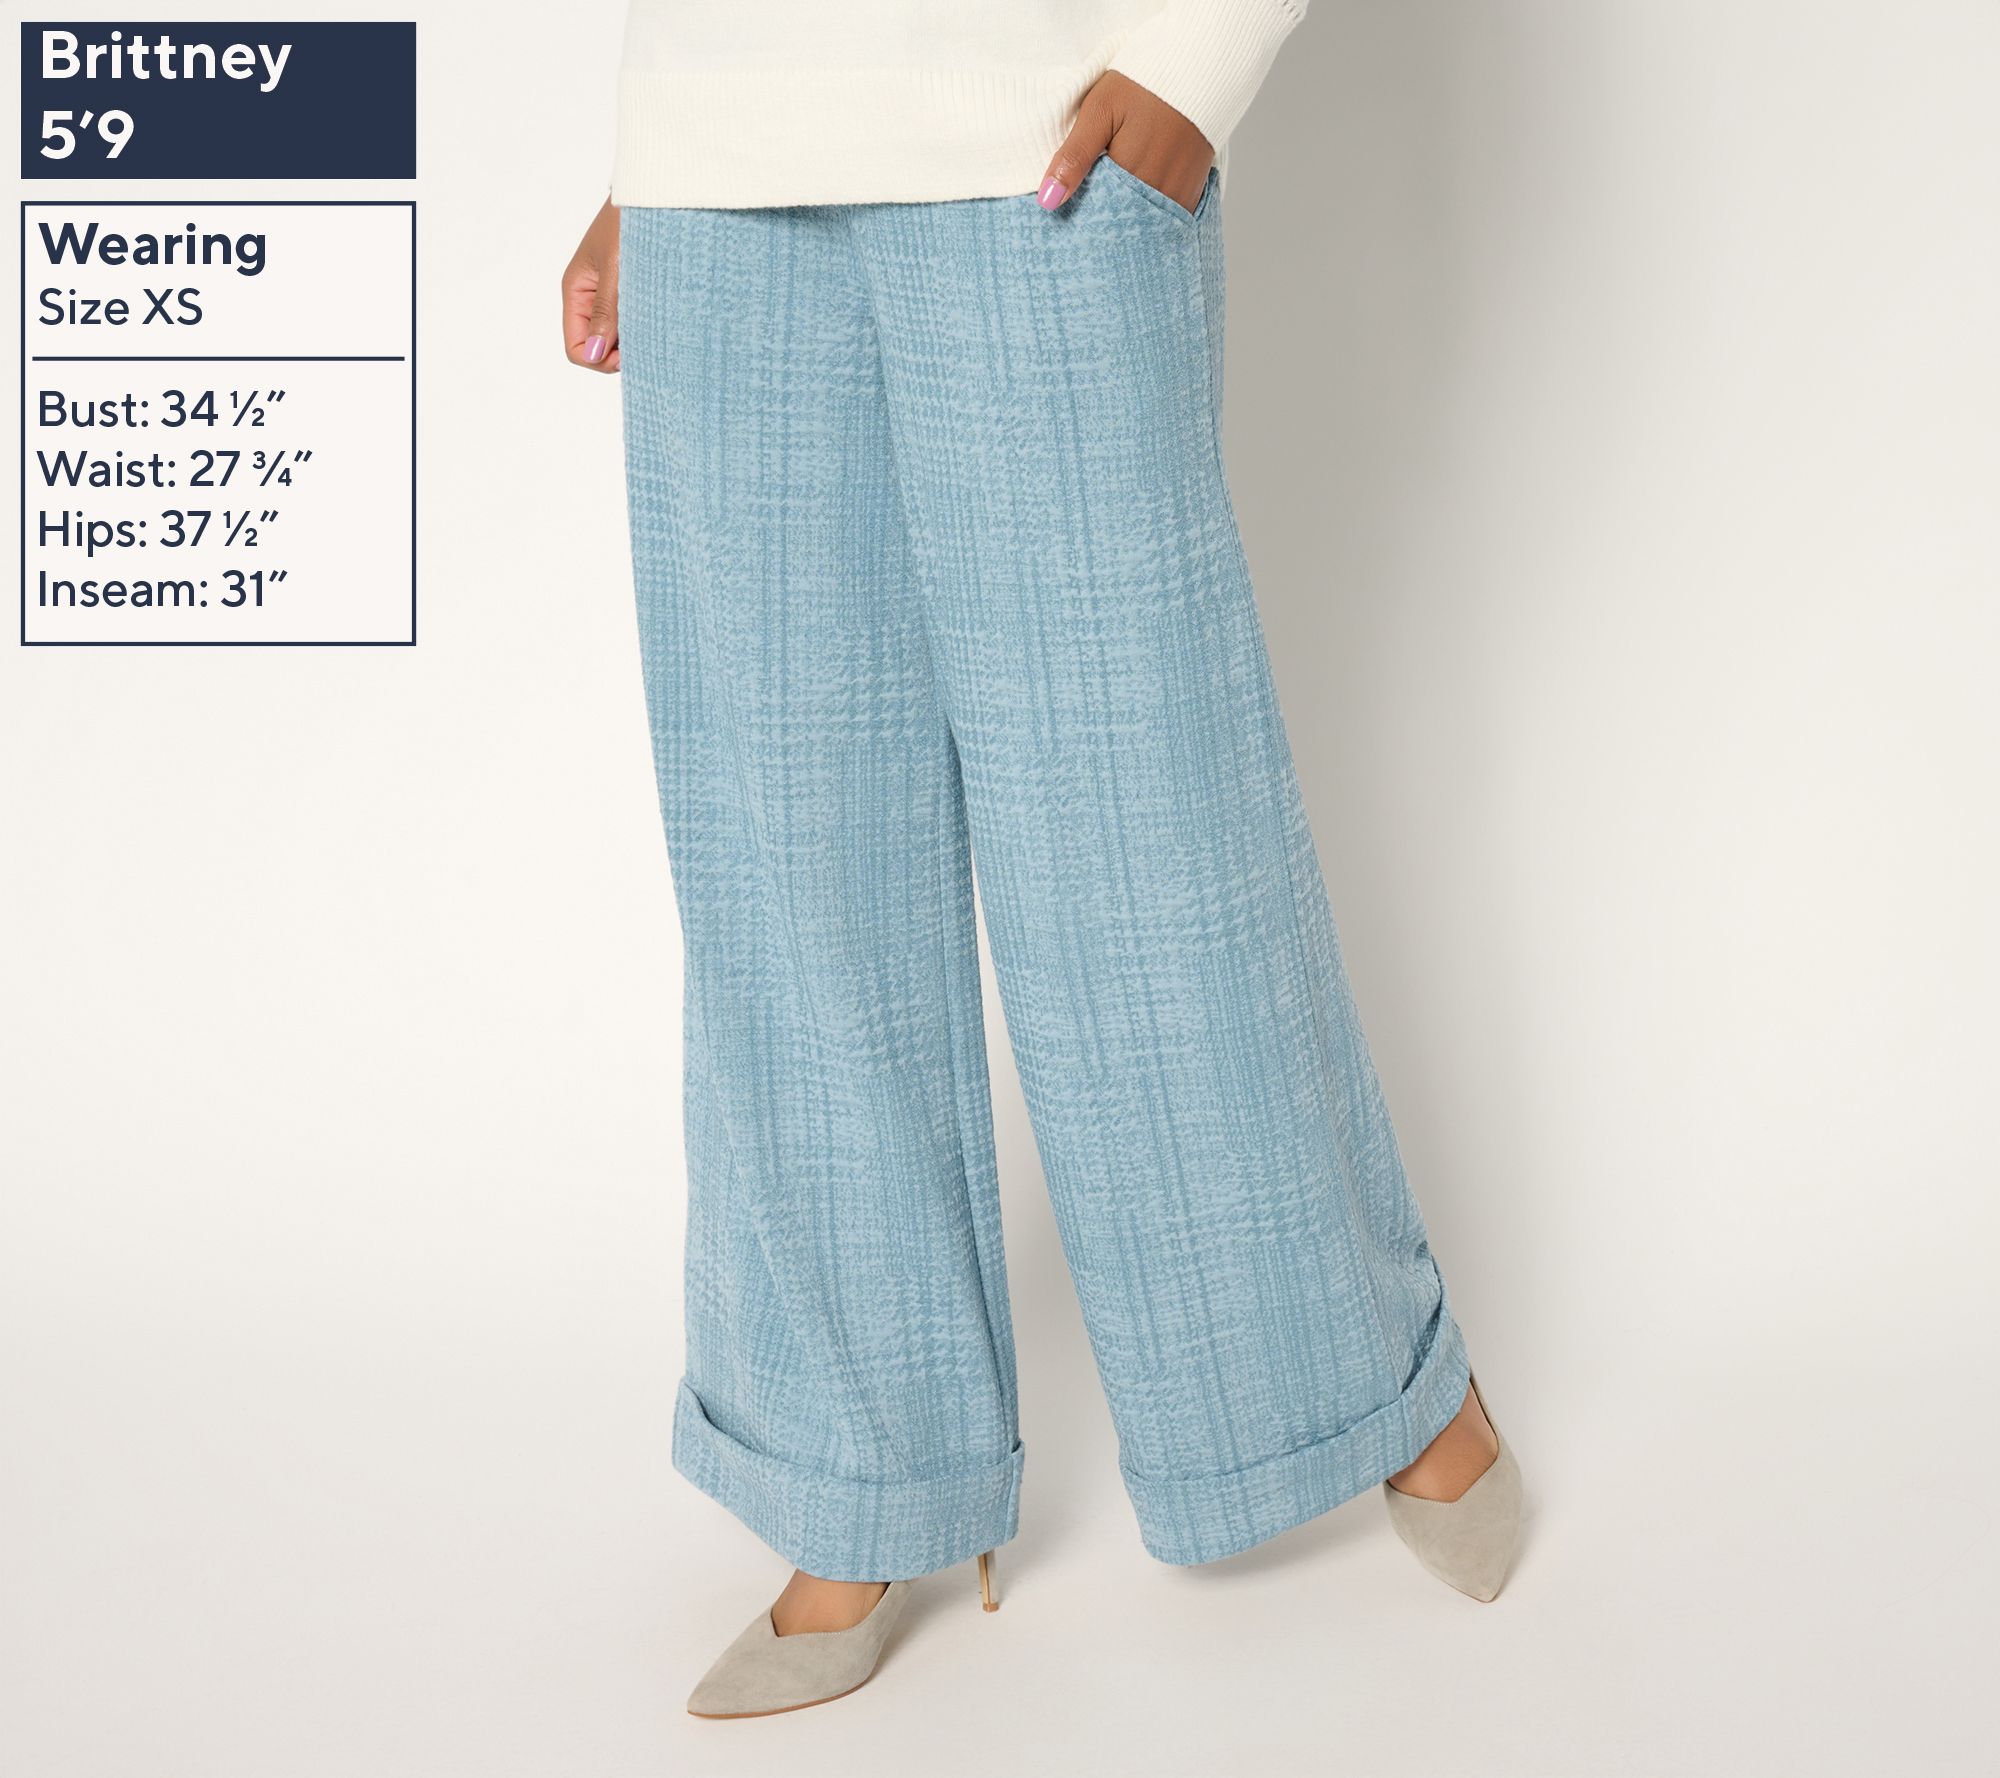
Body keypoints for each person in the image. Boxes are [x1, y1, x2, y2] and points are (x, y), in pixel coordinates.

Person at [562, 0, 1522, 1719]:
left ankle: (1384, 1386)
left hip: (1039, 141)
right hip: (718, 177)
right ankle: (858, 1481)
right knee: (786, 873)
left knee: (1148, 845)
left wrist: (1199, 56)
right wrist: (653, 158)